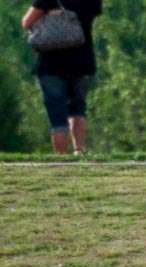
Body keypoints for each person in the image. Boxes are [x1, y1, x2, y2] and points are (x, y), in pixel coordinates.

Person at [21, 0, 103, 155]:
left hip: (51, 65)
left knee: (57, 114)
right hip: (82, 61)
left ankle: (61, 157)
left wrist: (48, 17)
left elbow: (26, 22)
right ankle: (79, 150)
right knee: (78, 108)